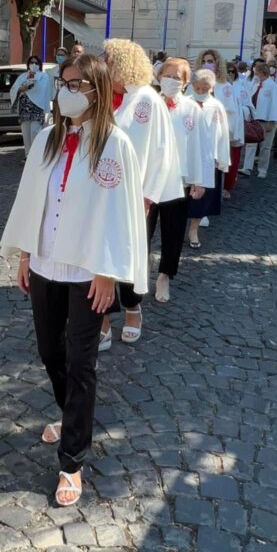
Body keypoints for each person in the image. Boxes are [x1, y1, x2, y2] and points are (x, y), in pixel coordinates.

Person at [1, 55, 146, 506]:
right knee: (50, 351)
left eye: (78, 83)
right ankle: (70, 415)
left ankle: (72, 460)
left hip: (87, 271)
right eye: (63, 82)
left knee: (82, 362)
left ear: (98, 90)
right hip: (46, 264)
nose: (67, 90)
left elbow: (118, 214)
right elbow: (31, 202)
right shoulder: (46, 139)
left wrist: (108, 272)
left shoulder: (114, 144)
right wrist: (26, 253)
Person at [102, 39, 183, 348]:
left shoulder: (146, 99)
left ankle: (132, 307)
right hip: (102, 190)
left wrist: (148, 195)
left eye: (108, 61)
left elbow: (161, 151)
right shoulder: (102, 97)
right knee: (101, 252)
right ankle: (104, 314)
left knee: (131, 251)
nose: (103, 65)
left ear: (122, 64)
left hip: (136, 194)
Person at [150, 59, 206, 302]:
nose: (171, 80)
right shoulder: (148, 104)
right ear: (158, 76)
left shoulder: (191, 109)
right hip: (148, 181)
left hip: (178, 182)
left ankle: (165, 275)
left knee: (173, 233)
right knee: (141, 231)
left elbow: (198, 146)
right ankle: (136, 273)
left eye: (177, 77)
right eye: (167, 75)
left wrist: (199, 179)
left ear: (185, 83)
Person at [187, 70, 230, 247]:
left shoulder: (216, 106)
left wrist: (223, 158)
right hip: (187, 157)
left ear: (211, 87)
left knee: (201, 198)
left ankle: (194, 229)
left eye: (205, 87)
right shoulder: (186, 103)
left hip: (207, 158)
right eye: (198, 87)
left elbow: (223, 134)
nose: (201, 90)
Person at [242, 61, 277, 179]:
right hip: (255, 119)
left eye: (257, 73)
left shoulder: (272, 86)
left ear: (263, 73)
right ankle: (247, 167)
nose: (256, 75)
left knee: (265, 146)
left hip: (267, 120)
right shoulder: (256, 84)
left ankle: (262, 169)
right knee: (251, 144)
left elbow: (275, 105)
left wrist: (272, 121)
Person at [216, 64, 250, 199]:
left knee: (232, 160)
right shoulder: (216, 87)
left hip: (234, 129)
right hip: (219, 130)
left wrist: (239, 111)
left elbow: (248, 107)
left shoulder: (241, 87)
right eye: (227, 71)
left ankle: (228, 187)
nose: (230, 74)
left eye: (232, 71)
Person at [10, 55, 51, 157]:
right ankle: (28, 156)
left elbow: (42, 90)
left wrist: (29, 87)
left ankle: (36, 156)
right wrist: (20, 89)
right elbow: (14, 89)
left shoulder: (43, 76)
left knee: (35, 133)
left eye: (36, 63)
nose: (34, 65)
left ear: (39, 65)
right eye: (31, 62)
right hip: (25, 110)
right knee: (26, 134)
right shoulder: (22, 76)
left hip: (37, 109)